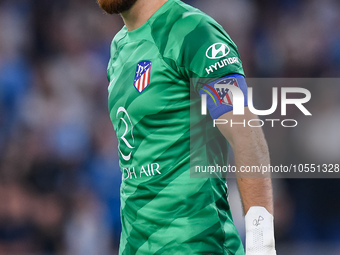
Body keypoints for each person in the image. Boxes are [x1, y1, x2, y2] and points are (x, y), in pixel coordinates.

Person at [97, 0, 277, 254]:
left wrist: (262, 246)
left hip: (197, 245)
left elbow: (246, 136)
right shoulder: (119, 47)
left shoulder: (193, 31)